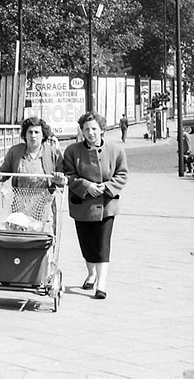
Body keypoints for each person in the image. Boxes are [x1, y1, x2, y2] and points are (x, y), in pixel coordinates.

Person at [62, 112, 128, 300]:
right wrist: (86, 186)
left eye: (94, 129)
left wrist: (106, 187)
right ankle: (91, 274)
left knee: (102, 244)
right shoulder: (72, 151)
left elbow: (122, 174)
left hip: (106, 204)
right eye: (86, 129)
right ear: (81, 131)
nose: (90, 133)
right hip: (82, 204)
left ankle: (101, 283)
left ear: (102, 130)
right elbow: (69, 173)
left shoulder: (116, 151)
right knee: (87, 244)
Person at [0, 117, 66, 232]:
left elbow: (62, 180)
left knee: (43, 239)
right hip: (20, 205)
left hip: (44, 204)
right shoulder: (15, 151)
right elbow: (4, 172)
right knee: (21, 240)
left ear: (43, 135)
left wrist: (59, 179)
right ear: (25, 135)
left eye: (37, 132)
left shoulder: (53, 153)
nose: (33, 136)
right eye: (30, 132)